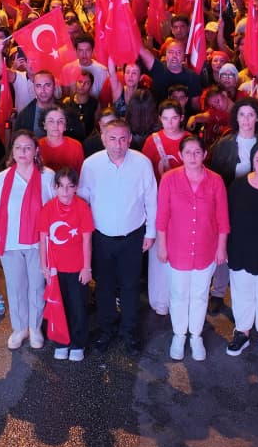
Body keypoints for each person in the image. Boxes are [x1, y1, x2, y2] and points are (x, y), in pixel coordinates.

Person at [78, 118, 158, 356]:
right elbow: (83, 201)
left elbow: (151, 200)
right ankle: (106, 329)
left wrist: (151, 232)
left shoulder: (142, 163)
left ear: (130, 139)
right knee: (104, 286)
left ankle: (129, 331)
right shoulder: (91, 165)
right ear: (103, 139)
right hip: (101, 237)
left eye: (123, 139)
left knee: (130, 286)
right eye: (112, 139)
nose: (118, 144)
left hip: (133, 236)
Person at [155, 136, 229, 361]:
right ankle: (179, 335)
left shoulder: (216, 181)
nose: (193, 157)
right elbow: (162, 217)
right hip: (176, 249)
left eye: (197, 152)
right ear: (180, 155)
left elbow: (222, 218)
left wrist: (221, 248)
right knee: (178, 294)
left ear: (205, 154)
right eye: (188, 152)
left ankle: (196, 335)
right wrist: (161, 246)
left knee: (200, 295)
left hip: (206, 249)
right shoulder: (169, 179)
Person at [0, 131, 55, 350]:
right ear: (12, 151)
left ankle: (35, 328)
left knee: (36, 286)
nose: (22, 152)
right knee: (16, 286)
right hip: (10, 241)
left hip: (39, 243)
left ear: (36, 151)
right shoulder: (2, 178)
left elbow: (55, 209)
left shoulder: (47, 176)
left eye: (27, 148)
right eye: (18, 147)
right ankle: (19, 328)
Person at [37, 167, 95, 361]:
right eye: (61, 186)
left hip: (77, 268)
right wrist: (44, 266)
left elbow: (87, 240)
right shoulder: (48, 208)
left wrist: (87, 267)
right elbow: (43, 239)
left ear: (76, 188)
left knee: (78, 307)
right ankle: (61, 342)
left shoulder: (82, 208)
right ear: (54, 187)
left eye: (70, 186)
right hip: (55, 269)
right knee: (58, 307)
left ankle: (78, 343)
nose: (65, 191)